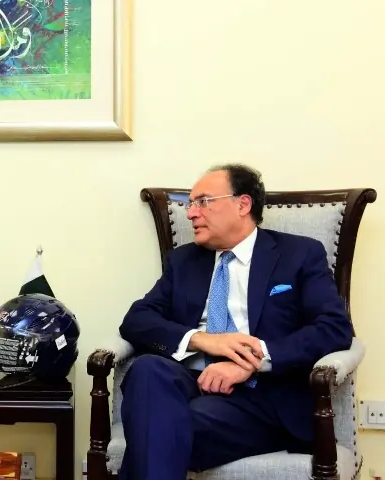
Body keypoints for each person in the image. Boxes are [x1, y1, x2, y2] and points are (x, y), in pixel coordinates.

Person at [117, 164, 353, 479]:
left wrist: (253, 359)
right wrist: (204, 340)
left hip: (262, 400)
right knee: (147, 370)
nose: (190, 214)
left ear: (242, 204)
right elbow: (137, 320)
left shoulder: (298, 254)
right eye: (190, 204)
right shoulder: (184, 261)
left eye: (203, 202)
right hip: (191, 384)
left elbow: (334, 327)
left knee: (155, 424)